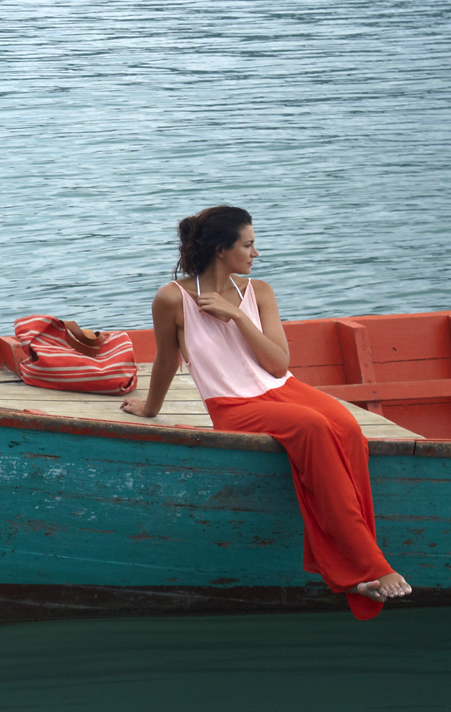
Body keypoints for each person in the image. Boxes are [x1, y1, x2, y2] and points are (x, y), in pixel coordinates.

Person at [120, 205, 412, 619]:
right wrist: (150, 409)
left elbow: (278, 364)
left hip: (282, 388)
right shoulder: (173, 299)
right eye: (249, 244)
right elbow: (166, 359)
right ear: (222, 249)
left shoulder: (259, 293)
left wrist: (238, 316)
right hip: (232, 405)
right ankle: (369, 565)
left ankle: (354, 561)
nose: (256, 252)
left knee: (346, 426)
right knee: (312, 427)